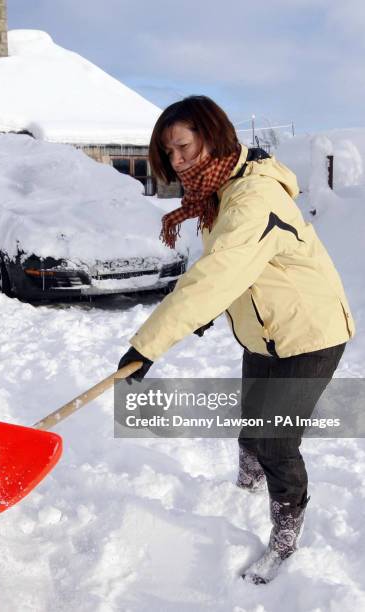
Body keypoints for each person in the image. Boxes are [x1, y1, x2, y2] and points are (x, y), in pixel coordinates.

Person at [118, 95, 355, 584]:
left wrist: (148, 346)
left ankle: (285, 536)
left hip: (309, 332)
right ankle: (244, 491)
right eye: (171, 154)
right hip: (263, 330)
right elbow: (238, 273)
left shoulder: (252, 198)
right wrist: (214, 310)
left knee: (275, 438)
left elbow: (215, 275)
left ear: (214, 134)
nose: (179, 162)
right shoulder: (222, 187)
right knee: (251, 422)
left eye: (184, 147)